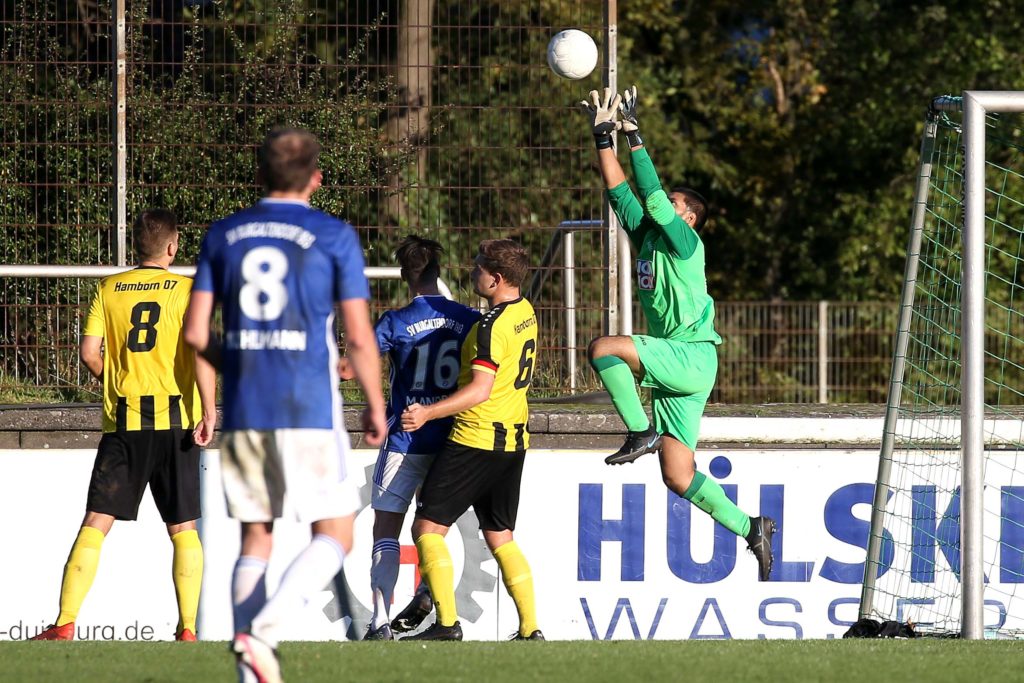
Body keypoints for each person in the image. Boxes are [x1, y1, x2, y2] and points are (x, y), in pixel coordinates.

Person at [183, 128, 386, 683]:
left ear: (260, 175)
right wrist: (375, 402)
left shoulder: (223, 234)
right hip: (309, 407)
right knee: (336, 534)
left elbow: (196, 332)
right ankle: (263, 633)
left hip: (247, 408)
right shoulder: (333, 235)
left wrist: (239, 365)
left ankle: (251, 674)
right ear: (316, 178)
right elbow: (359, 337)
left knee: (256, 537)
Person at [578, 86, 776, 581]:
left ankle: (640, 429)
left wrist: (635, 135)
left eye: (674, 202)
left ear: (687, 217)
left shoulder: (686, 241)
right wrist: (603, 138)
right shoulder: (647, 235)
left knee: (604, 348)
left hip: (689, 355)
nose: (664, 204)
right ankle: (751, 526)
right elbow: (619, 191)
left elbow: (650, 194)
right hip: (684, 364)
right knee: (677, 474)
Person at [31, 209, 217, 642]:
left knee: (96, 521)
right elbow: (201, 352)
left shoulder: (108, 289)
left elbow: (89, 353)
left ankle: (65, 622)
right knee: (184, 527)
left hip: (125, 421)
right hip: (177, 422)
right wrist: (209, 411)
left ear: (136, 246)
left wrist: (115, 382)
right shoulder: (188, 290)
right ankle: (188, 629)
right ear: (172, 247)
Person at [400, 239, 543, 641]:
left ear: (495, 279)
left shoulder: (490, 326)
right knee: (500, 536)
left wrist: (428, 412)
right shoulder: (526, 311)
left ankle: (447, 625)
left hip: (475, 439)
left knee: (427, 529)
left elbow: (481, 390)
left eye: (478, 267)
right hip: (513, 442)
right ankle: (530, 629)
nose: (472, 271)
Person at [340, 235, 481, 640]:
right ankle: (426, 592)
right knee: (433, 529)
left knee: (386, 529)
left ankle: (379, 620)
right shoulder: (469, 318)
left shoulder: (396, 321)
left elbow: (350, 369)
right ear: (439, 272)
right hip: (451, 439)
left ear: (405, 276)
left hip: (405, 438)